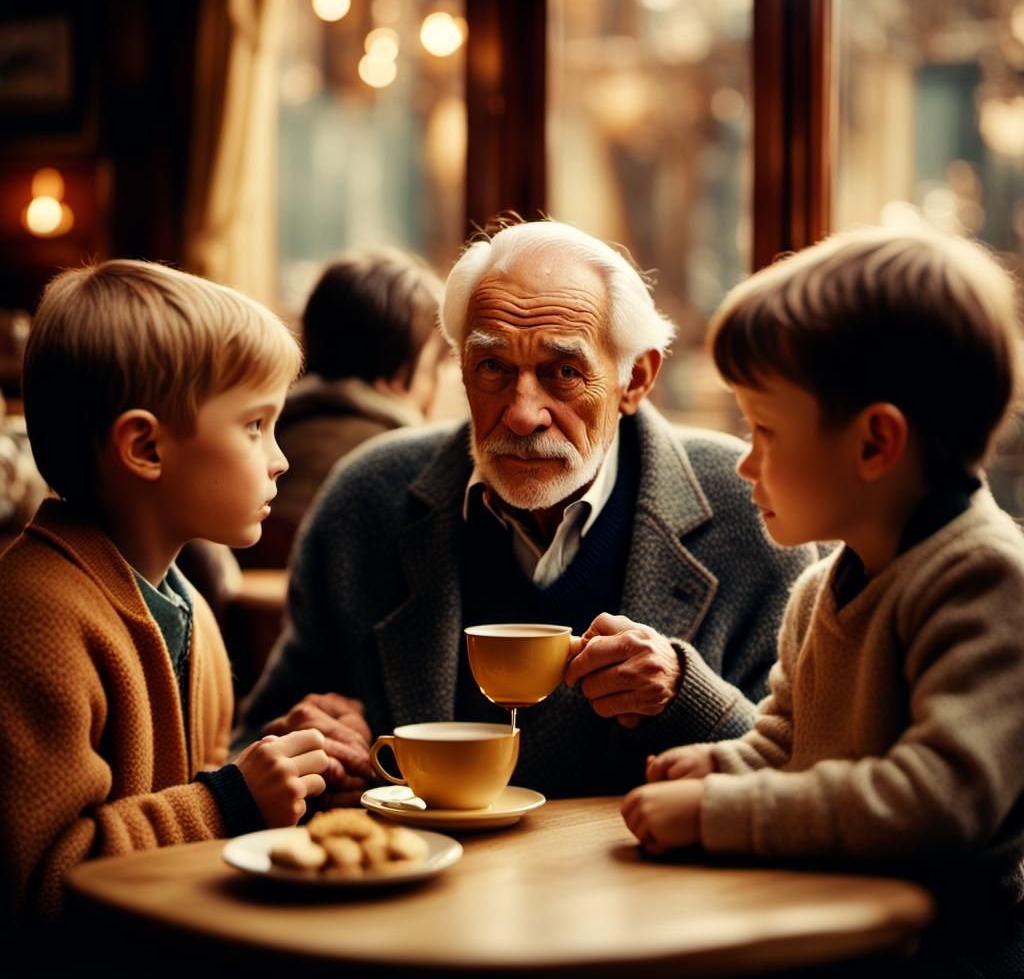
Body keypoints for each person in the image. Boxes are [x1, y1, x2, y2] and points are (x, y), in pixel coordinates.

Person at [237, 217, 816, 799]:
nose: (521, 413)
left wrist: (684, 693)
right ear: (460, 368)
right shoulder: (368, 498)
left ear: (634, 379)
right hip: (425, 881)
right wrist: (308, 750)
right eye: (493, 368)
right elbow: (257, 741)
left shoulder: (753, 508)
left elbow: (809, 781)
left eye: (563, 373)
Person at [621, 226, 1024, 977]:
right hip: (829, 930)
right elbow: (786, 748)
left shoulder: (985, 582)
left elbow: (936, 804)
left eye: (765, 429)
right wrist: (719, 769)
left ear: (875, 444)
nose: (744, 460)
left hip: (946, 956)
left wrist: (721, 814)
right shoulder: (819, 588)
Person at [0, 260, 331, 935]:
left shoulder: (192, 612)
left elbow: (186, 805)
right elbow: (35, 884)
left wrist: (275, 773)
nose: (280, 459)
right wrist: (228, 804)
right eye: (255, 426)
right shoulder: (33, 618)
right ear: (145, 446)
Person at [241, 247, 450, 568]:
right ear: (396, 373)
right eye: (431, 366)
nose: (437, 382)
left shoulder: (264, 437)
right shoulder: (410, 468)